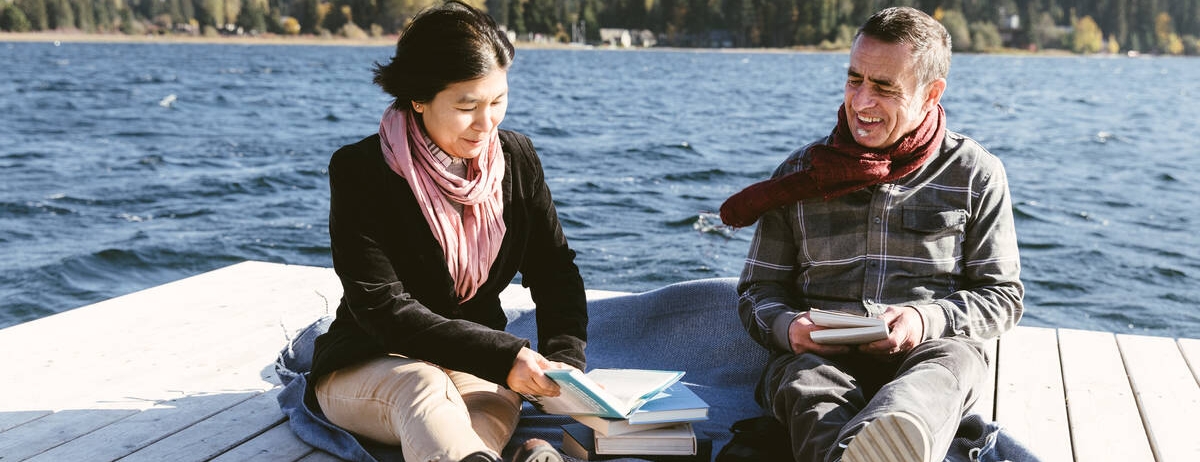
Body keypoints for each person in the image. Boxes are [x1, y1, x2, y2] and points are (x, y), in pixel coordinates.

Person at [719, 7, 1024, 462]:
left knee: (948, 367)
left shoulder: (975, 173)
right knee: (807, 382)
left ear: (930, 93)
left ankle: (890, 436)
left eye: (884, 88)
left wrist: (924, 321)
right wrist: (788, 327)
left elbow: (1002, 296)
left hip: (928, 353)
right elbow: (756, 291)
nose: (862, 102)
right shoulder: (798, 175)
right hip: (819, 357)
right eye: (854, 79)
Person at [307, 2, 586, 462]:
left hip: (476, 361)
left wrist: (565, 364)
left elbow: (556, 272)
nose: (486, 123)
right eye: (466, 106)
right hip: (370, 359)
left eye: (497, 101)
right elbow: (381, 306)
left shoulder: (517, 158)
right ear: (418, 98)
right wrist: (504, 357)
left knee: (488, 405)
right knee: (425, 388)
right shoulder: (360, 170)